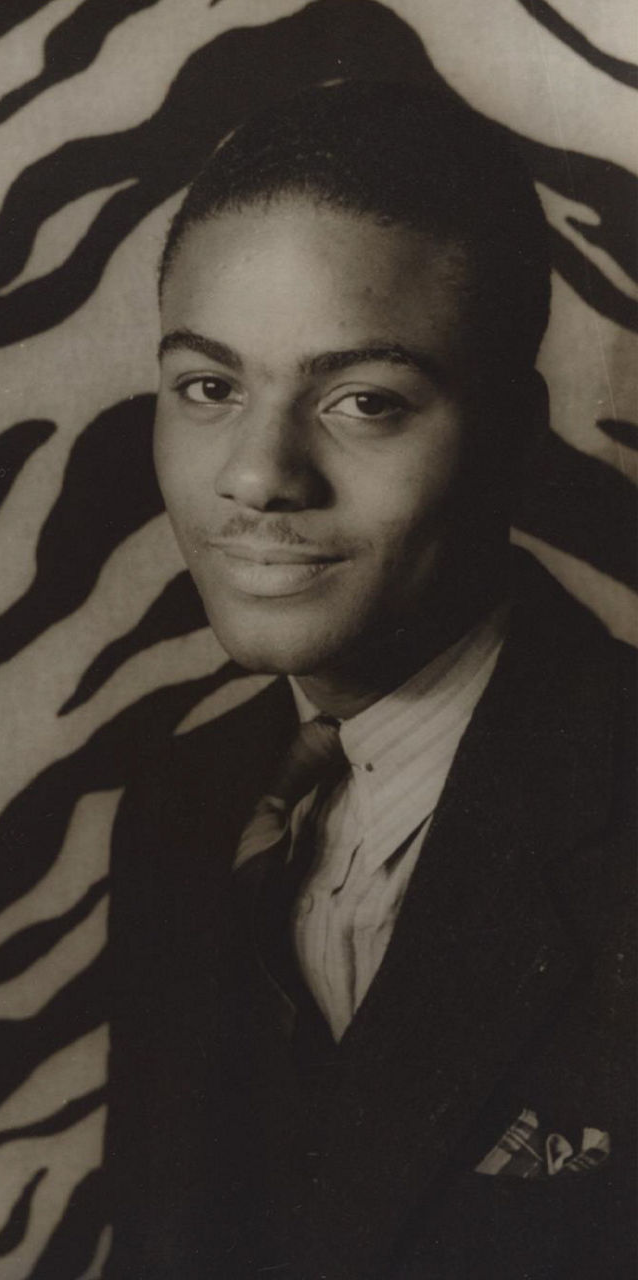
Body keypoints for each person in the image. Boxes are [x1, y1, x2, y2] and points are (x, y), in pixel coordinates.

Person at [104, 80, 635, 1279]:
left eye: (364, 402)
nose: (257, 475)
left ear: (511, 433)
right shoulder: (185, 807)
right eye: (208, 386)